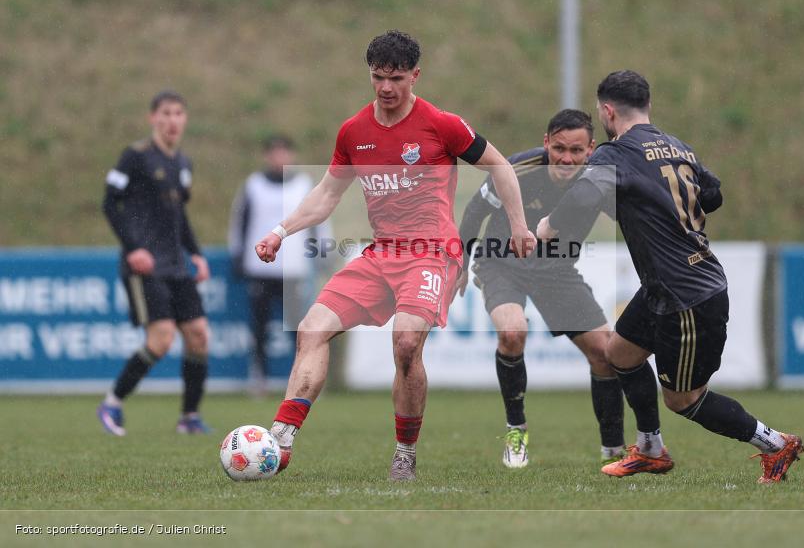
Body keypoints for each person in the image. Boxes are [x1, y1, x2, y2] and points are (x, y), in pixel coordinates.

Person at [254, 30, 536, 481]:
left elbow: (500, 165)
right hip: (381, 253)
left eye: (396, 78)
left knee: (406, 346)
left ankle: (405, 452)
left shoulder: (442, 125)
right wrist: (280, 231)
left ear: (415, 76)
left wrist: (519, 224)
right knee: (312, 328)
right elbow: (327, 193)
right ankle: (281, 437)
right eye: (378, 77)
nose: (386, 87)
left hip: (432, 253)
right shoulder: (354, 131)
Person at [537, 70, 803, 483]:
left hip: (687, 296)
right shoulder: (678, 147)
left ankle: (774, 443)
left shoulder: (615, 153)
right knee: (620, 352)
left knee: (685, 400)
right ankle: (649, 449)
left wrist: (546, 228)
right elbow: (713, 195)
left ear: (607, 111)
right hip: (668, 286)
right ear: (647, 106)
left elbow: (579, 203)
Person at [456, 109, 625, 469]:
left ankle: (615, 451)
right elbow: (473, 213)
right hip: (502, 264)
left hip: (557, 270)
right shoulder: (516, 170)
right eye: (559, 148)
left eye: (576, 151)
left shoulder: (599, 181)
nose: (566, 158)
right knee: (513, 332)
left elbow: (633, 216)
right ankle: (516, 430)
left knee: (605, 353)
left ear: (591, 149)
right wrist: (458, 263)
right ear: (546, 142)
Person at [97, 91, 212, 436]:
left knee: (198, 336)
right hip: (145, 266)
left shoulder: (184, 164)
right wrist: (133, 248)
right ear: (153, 118)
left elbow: (180, 215)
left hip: (176, 264)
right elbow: (108, 202)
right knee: (161, 339)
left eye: (179, 113)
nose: (173, 120)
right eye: (166, 113)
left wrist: (196, 253)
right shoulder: (135, 157)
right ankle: (112, 403)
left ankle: (189, 417)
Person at [228, 135, 328, 395]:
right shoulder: (253, 185)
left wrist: (321, 255)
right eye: (274, 153)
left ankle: (305, 377)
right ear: (267, 156)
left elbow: (317, 220)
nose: (279, 158)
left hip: (293, 269)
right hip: (260, 269)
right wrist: (238, 256)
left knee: (299, 327)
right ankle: (258, 377)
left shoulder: (304, 184)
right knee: (259, 326)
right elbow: (240, 221)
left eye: (284, 152)